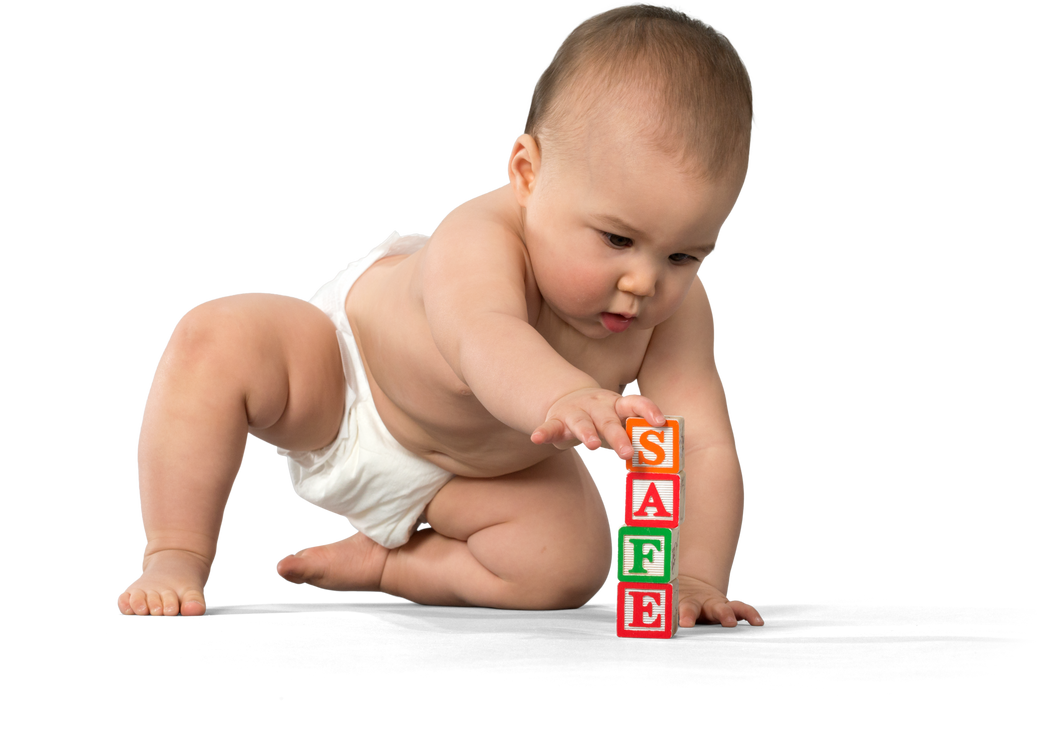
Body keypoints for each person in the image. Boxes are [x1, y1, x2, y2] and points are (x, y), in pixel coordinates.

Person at [117, 3, 765, 629]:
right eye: (617, 239)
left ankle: (391, 566)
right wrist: (565, 394)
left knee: (566, 567)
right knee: (218, 340)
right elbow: (483, 339)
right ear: (527, 174)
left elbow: (704, 444)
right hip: (344, 385)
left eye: (684, 255)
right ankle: (174, 551)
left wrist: (697, 576)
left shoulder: (672, 316)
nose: (644, 282)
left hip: (471, 477)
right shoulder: (481, 236)